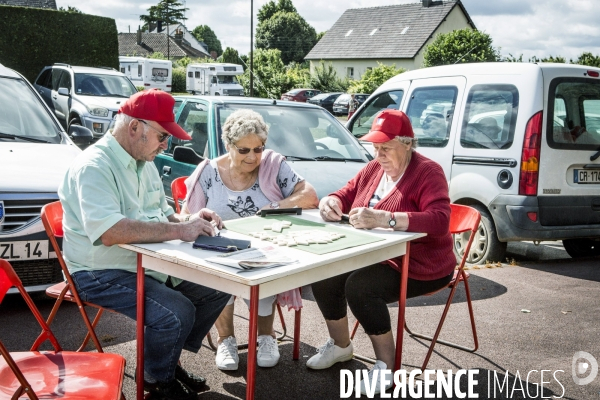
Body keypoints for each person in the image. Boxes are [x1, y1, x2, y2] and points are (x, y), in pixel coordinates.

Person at [58, 89, 231, 400]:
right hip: (97, 271)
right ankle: (156, 380)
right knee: (177, 311)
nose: (166, 145)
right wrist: (180, 231)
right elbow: (110, 233)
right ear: (134, 127)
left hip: (145, 263)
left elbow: (163, 216)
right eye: (163, 136)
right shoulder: (94, 166)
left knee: (219, 286)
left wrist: (190, 220)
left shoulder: (145, 162)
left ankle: (162, 362)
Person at [307, 109, 455, 395]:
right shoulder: (374, 168)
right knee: (324, 274)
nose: (379, 154)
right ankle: (340, 347)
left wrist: (383, 218)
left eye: (386, 148)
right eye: (375, 148)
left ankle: (387, 367)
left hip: (423, 265)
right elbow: (345, 192)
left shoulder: (428, 171)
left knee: (360, 287)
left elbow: (440, 220)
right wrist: (331, 201)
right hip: (375, 255)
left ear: (408, 144)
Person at [182, 108, 319, 371]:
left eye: (258, 149)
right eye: (244, 150)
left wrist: (275, 206)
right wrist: (200, 219)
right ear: (228, 144)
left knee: (263, 276)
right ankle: (226, 339)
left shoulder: (273, 164)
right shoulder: (208, 172)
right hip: (219, 250)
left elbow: (310, 196)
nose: (253, 157)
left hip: (263, 249)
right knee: (220, 279)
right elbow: (187, 216)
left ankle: (266, 337)